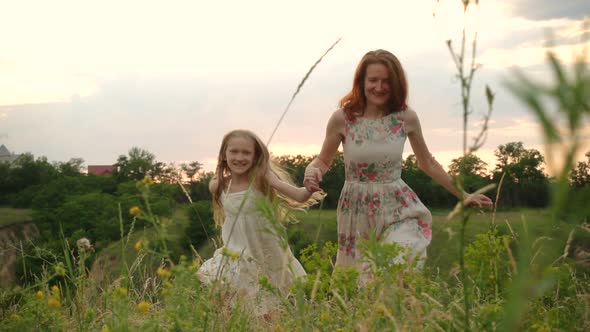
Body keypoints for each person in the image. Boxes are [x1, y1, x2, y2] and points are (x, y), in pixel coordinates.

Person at [303, 49, 493, 275]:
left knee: (397, 263)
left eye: (387, 81)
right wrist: (311, 171)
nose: (379, 87)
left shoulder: (406, 117)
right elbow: (323, 161)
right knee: (361, 281)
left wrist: (464, 195)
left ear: (396, 84)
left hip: (397, 205)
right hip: (356, 208)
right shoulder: (343, 118)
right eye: (373, 80)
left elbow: (428, 163)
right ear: (361, 82)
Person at [197, 129, 324, 316]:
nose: (239, 157)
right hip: (235, 255)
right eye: (234, 151)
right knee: (223, 301)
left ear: (256, 156)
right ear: (224, 154)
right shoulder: (219, 185)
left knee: (267, 313)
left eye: (246, 152)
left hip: (266, 254)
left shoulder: (262, 179)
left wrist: (308, 189)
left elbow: (298, 195)